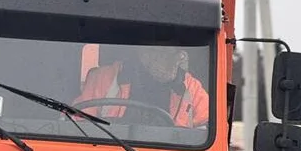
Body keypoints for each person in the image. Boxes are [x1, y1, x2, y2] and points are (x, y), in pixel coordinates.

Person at [74, 45, 209, 128]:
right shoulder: (105, 77)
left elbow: (208, 128)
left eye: (177, 54)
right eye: (159, 52)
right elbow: (77, 122)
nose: (176, 59)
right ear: (143, 53)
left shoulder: (191, 87)